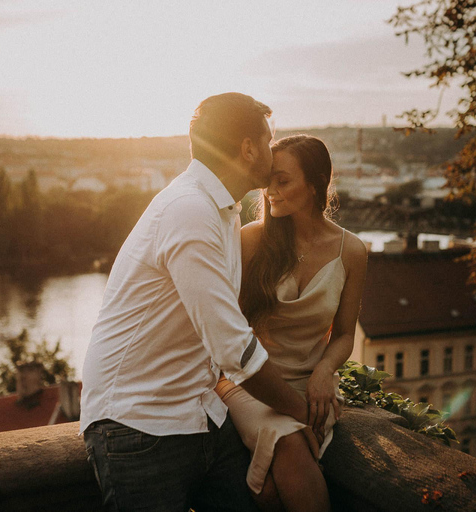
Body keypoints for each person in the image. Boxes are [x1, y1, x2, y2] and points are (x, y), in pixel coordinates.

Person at [80, 93, 319, 512]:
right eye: (268, 139)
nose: (272, 149)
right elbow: (232, 346)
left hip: (200, 414)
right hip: (137, 424)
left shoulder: (221, 211)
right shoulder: (190, 210)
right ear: (248, 148)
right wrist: (303, 410)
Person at [216, 135, 368, 511]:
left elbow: (346, 333)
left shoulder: (352, 251)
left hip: (310, 388)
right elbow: (224, 328)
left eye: (283, 181)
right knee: (288, 442)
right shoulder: (250, 240)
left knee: (271, 491)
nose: (270, 191)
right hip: (247, 382)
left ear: (316, 183)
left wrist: (324, 371)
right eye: (269, 181)